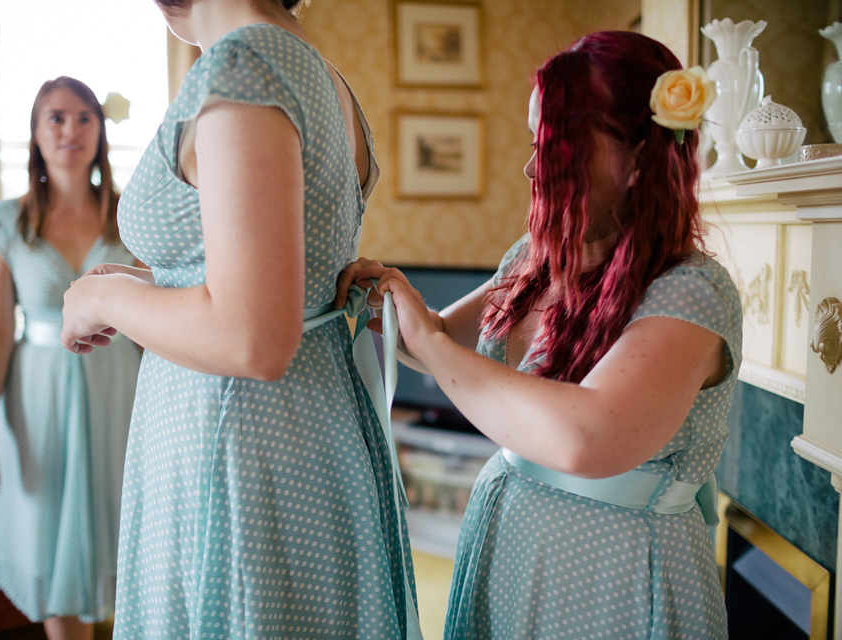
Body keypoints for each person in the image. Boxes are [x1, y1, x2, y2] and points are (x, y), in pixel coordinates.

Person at [338, 31, 742, 639]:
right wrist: (384, 305)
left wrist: (432, 342)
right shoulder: (534, 259)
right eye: (535, 145)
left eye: (556, 149)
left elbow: (586, 437)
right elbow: (442, 340)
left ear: (637, 160)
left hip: (619, 580)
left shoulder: (691, 292)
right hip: (510, 546)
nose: (531, 167)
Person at [59, 1, 421, 637]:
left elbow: (251, 338)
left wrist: (101, 300)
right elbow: (269, 276)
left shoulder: (243, 66)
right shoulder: (315, 69)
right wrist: (139, 282)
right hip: (309, 427)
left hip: (235, 442)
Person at [0, 76, 141, 640]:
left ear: (100, 131)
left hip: (121, 388)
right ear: (36, 134)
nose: (70, 130)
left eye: (84, 117)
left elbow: (162, 311)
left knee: (125, 525)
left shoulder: (130, 216)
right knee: (48, 534)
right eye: (56, 118)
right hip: (35, 395)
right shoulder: (4, 223)